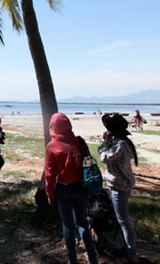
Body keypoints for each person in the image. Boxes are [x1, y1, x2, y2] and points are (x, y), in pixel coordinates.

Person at [44, 112, 98, 264]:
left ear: (53, 127)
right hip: (80, 188)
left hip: (63, 189)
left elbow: (49, 175)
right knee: (82, 223)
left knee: (67, 225)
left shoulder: (52, 146)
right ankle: (92, 258)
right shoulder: (78, 142)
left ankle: (72, 259)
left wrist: (50, 195)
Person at [98, 113, 139, 262]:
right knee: (120, 218)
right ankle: (125, 247)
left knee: (123, 220)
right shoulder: (122, 142)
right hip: (120, 184)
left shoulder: (119, 144)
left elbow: (105, 157)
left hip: (119, 185)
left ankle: (131, 252)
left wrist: (105, 142)